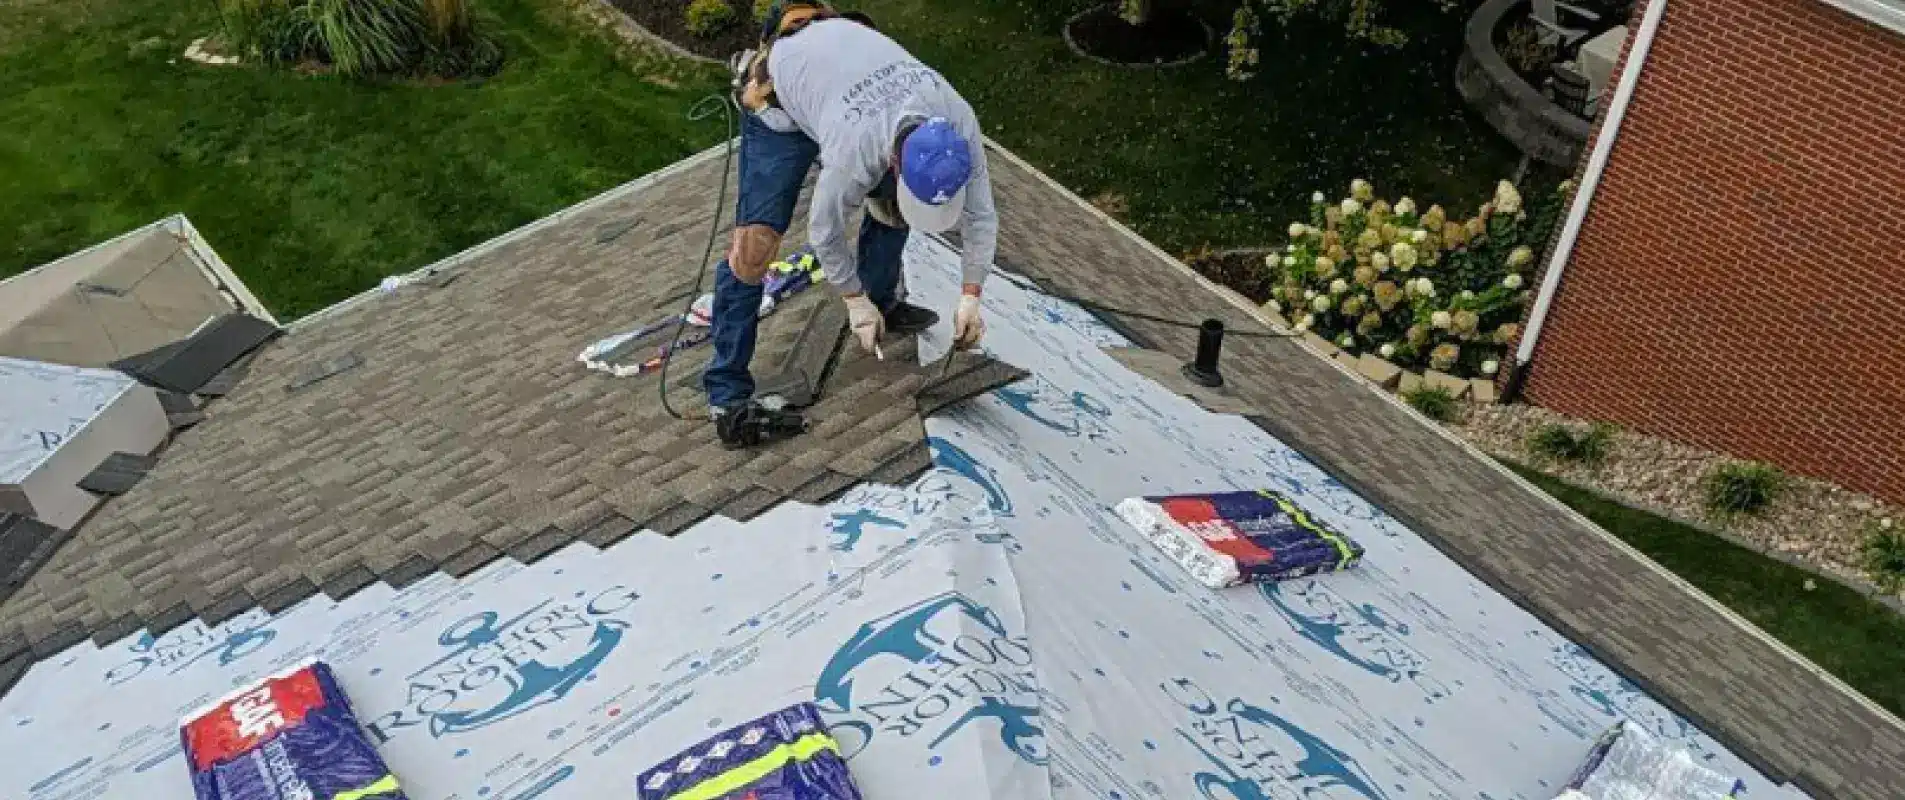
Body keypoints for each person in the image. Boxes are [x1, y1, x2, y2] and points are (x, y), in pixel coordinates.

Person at [704, 3, 995, 448]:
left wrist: (971, 294)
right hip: (779, 102)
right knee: (754, 249)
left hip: (845, 90)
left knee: (893, 208)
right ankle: (726, 394)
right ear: (896, 160)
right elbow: (824, 230)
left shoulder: (957, 122)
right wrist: (852, 300)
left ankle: (884, 303)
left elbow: (982, 214)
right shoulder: (856, 148)